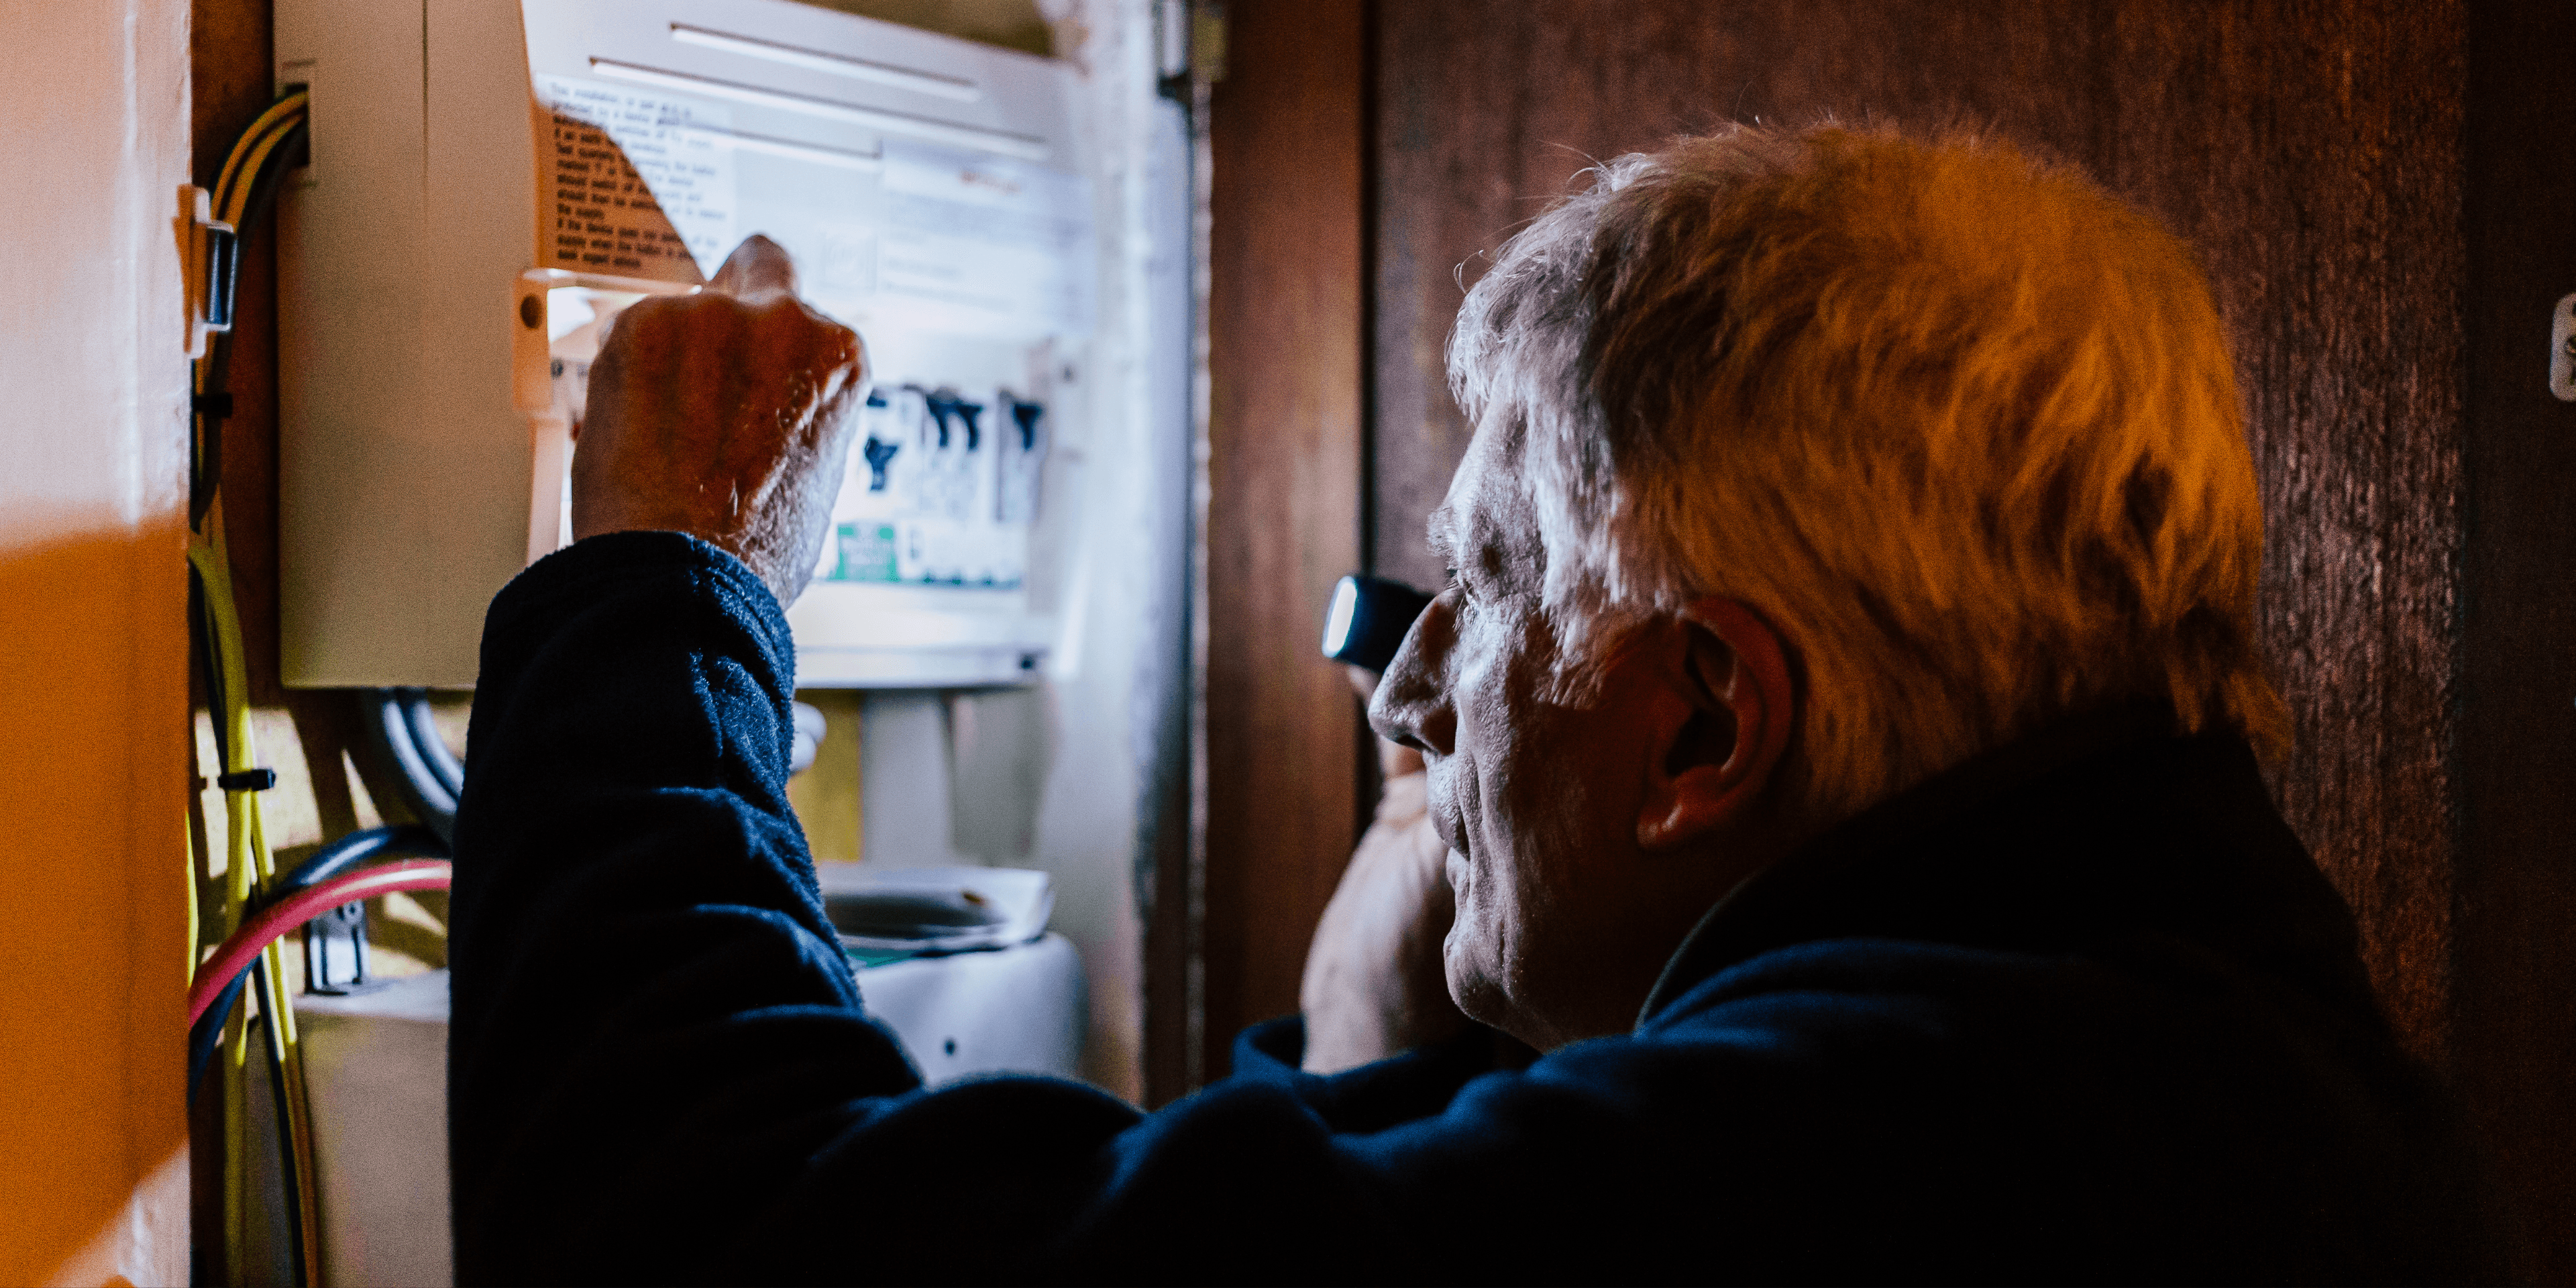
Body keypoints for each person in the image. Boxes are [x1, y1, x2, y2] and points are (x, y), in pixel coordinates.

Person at [449, 123, 2502, 1283]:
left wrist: (674, 589)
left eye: (1495, 584)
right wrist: (1363, 1054)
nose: (1416, 690)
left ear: (1705, 722)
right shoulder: (2181, 1055)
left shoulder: (1857, 1156)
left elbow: (708, 1251)